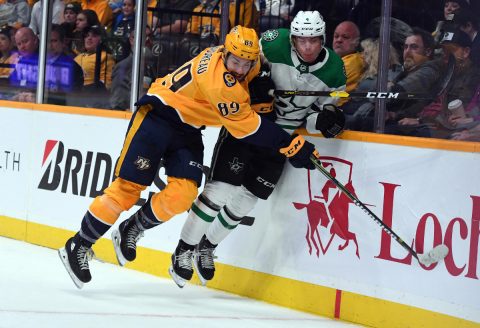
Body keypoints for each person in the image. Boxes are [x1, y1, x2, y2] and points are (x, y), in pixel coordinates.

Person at [58, 25, 321, 289]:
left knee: (183, 193)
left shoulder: (241, 58)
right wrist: (290, 144)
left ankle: (133, 227)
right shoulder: (218, 81)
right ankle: (79, 244)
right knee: (127, 189)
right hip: (157, 117)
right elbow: (247, 127)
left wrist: (260, 81)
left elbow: (256, 70)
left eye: (246, 63)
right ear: (225, 54)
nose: (240, 69)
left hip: (189, 128)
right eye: (236, 62)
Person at [169, 11, 347, 288]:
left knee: (246, 200)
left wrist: (325, 121)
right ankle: (183, 249)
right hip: (249, 123)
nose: (308, 47)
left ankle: (206, 246)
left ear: (322, 39)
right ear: (293, 39)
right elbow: (240, 64)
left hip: (282, 138)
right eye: (302, 40)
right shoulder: (274, 42)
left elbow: (319, 113)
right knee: (221, 189)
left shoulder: (335, 69)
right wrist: (253, 84)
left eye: (314, 40)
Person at [384, 27, 443, 136]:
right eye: (405, 47)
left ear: (428, 51)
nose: (407, 52)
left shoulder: (428, 71)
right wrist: (394, 114)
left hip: (413, 128)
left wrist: (389, 87)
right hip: (400, 120)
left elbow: (395, 93)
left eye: (414, 47)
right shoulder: (409, 70)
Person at [343, 38, 401, 132]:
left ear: (374, 56)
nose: (362, 56)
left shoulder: (379, 80)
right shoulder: (381, 75)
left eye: (365, 53)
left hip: (362, 119)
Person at [332, 21, 363, 101]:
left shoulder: (353, 61)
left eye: (345, 37)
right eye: (336, 36)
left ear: (356, 42)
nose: (339, 40)